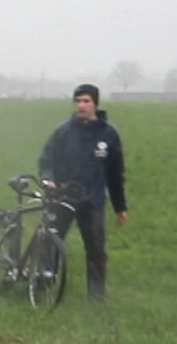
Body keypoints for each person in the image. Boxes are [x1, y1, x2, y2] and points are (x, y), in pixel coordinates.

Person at [38, 83, 128, 301]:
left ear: (95, 103)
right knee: (51, 242)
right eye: (78, 101)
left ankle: (97, 295)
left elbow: (115, 175)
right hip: (63, 197)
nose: (81, 106)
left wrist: (120, 207)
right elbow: (47, 159)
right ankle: (43, 285)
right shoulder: (63, 131)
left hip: (93, 201)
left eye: (86, 101)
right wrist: (48, 179)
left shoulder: (109, 135)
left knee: (96, 250)